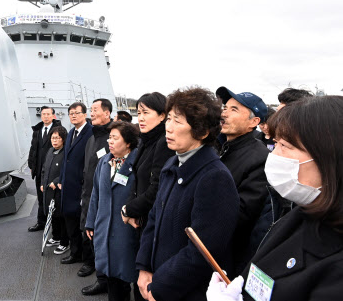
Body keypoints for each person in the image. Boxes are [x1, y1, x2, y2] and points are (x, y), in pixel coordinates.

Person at [207, 96, 343, 301]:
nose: (274, 154)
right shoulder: (299, 215)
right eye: (275, 143)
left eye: (285, 145)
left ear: (329, 157)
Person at [136, 87, 239, 301]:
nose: (169, 128)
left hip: (184, 291)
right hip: (159, 280)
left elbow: (202, 252)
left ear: (202, 132)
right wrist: (144, 266)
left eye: (178, 121)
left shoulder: (214, 178)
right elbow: (154, 218)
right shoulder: (172, 163)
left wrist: (161, 285)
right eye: (169, 119)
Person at [121, 93, 174, 301]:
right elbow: (137, 179)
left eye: (146, 113)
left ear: (162, 116)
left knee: (148, 283)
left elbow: (157, 186)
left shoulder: (163, 143)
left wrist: (129, 209)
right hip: (141, 220)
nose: (140, 118)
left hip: (154, 224)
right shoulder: (146, 140)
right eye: (138, 112)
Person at [216, 87, 271, 276]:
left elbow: (242, 213)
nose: (224, 113)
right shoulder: (219, 146)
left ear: (254, 122)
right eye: (225, 107)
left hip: (229, 257)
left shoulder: (260, 157)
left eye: (234, 110)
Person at [85, 121, 139, 301]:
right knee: (110, 275)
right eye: (109, 137)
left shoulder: (137, 163)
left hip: (126, 231)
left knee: (126, 275)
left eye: (115, 138)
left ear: (129, 142)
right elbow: (95, 194)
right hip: (103, 227)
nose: (110, 141)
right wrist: (90, 222)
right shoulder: (104, 162)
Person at [79, 98, 113, 296]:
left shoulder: (113, 136)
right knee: (91, 237)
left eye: (95, 110)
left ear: (107, 113)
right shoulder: (92, 138)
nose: (91, 113)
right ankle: (102, 278)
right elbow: (87, 169)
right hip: (89, 195)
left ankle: (109, 281)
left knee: (104, 240)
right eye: (90, 110)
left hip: (105, 199)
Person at [58, 102, 93, 263]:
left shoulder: (90, 133)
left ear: (84, 114)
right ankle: (75, 253)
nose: (73, 115)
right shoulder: (71, 132)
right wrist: (61, 180)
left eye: (77, 113)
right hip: (68, 186)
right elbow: (66, 160)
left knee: (84, 225)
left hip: (82, 186)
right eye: (70, 113)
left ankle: (87, 260)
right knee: (70, 222)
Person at [28, 106, 61, 232]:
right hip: (39, 170)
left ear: (53, 115)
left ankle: (56, 227)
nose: (45, 116)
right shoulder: (37, 130)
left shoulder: (58, 130)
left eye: (48, 114)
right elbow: (33, 148)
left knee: (53, 198)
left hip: (53, 169)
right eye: (43, 114)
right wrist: (32, 165)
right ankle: (41, 222)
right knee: (41, 197)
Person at [41, 126, 69, 254]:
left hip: (59, 190)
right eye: (52, 138)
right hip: (48, 189)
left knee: (61, 216)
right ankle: (56, 237)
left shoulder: (66, 153)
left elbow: (66, 170)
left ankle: (64, 242)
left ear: (63, 139)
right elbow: (44, 169)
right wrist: (42, 183)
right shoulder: (50, 151)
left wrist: (56, 181)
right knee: (52, 215)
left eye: (57, 138)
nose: (54, 141)